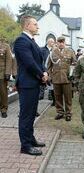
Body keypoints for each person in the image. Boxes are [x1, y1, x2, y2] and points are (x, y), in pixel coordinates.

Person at [13, 15, 48, 155]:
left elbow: (39, 61)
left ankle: (30, 138)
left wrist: (44, 71)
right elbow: (29, 62)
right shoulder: (21, 40)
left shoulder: (31, 40)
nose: (37, 26)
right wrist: (42, 75)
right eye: (35, 24)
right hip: (27, 84)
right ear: (27, 25)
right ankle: (25, 146)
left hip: (33, 83)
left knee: (32, 114)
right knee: (26, 115)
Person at [47, 36, 76, 121]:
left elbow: (74, 63)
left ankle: (68, 113)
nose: (61, 43)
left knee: (68, 97)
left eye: (62, 42)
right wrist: (51, 76)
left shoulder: (70, 52)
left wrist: (72, 74)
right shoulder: (52, 53)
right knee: (57, 97)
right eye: (59, 42)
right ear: (57, 43)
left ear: (65, 43)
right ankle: (60, 112)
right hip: (56, 78)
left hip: (67, 78)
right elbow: (49, 66)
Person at [0, 39, 12, 118]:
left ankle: (4, 109)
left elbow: (9, 60)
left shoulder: (5, 46)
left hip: (2, 73)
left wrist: (7, 72)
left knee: (3, 92)